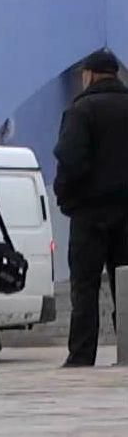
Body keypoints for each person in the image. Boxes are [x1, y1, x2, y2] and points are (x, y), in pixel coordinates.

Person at [54, 49, 128, 367]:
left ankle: (82, 354)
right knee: (125, 283)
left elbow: (71, 160)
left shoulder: (81, 110)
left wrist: (66, 196)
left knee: (85, 286)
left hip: (89, 213)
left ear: (90, 75)